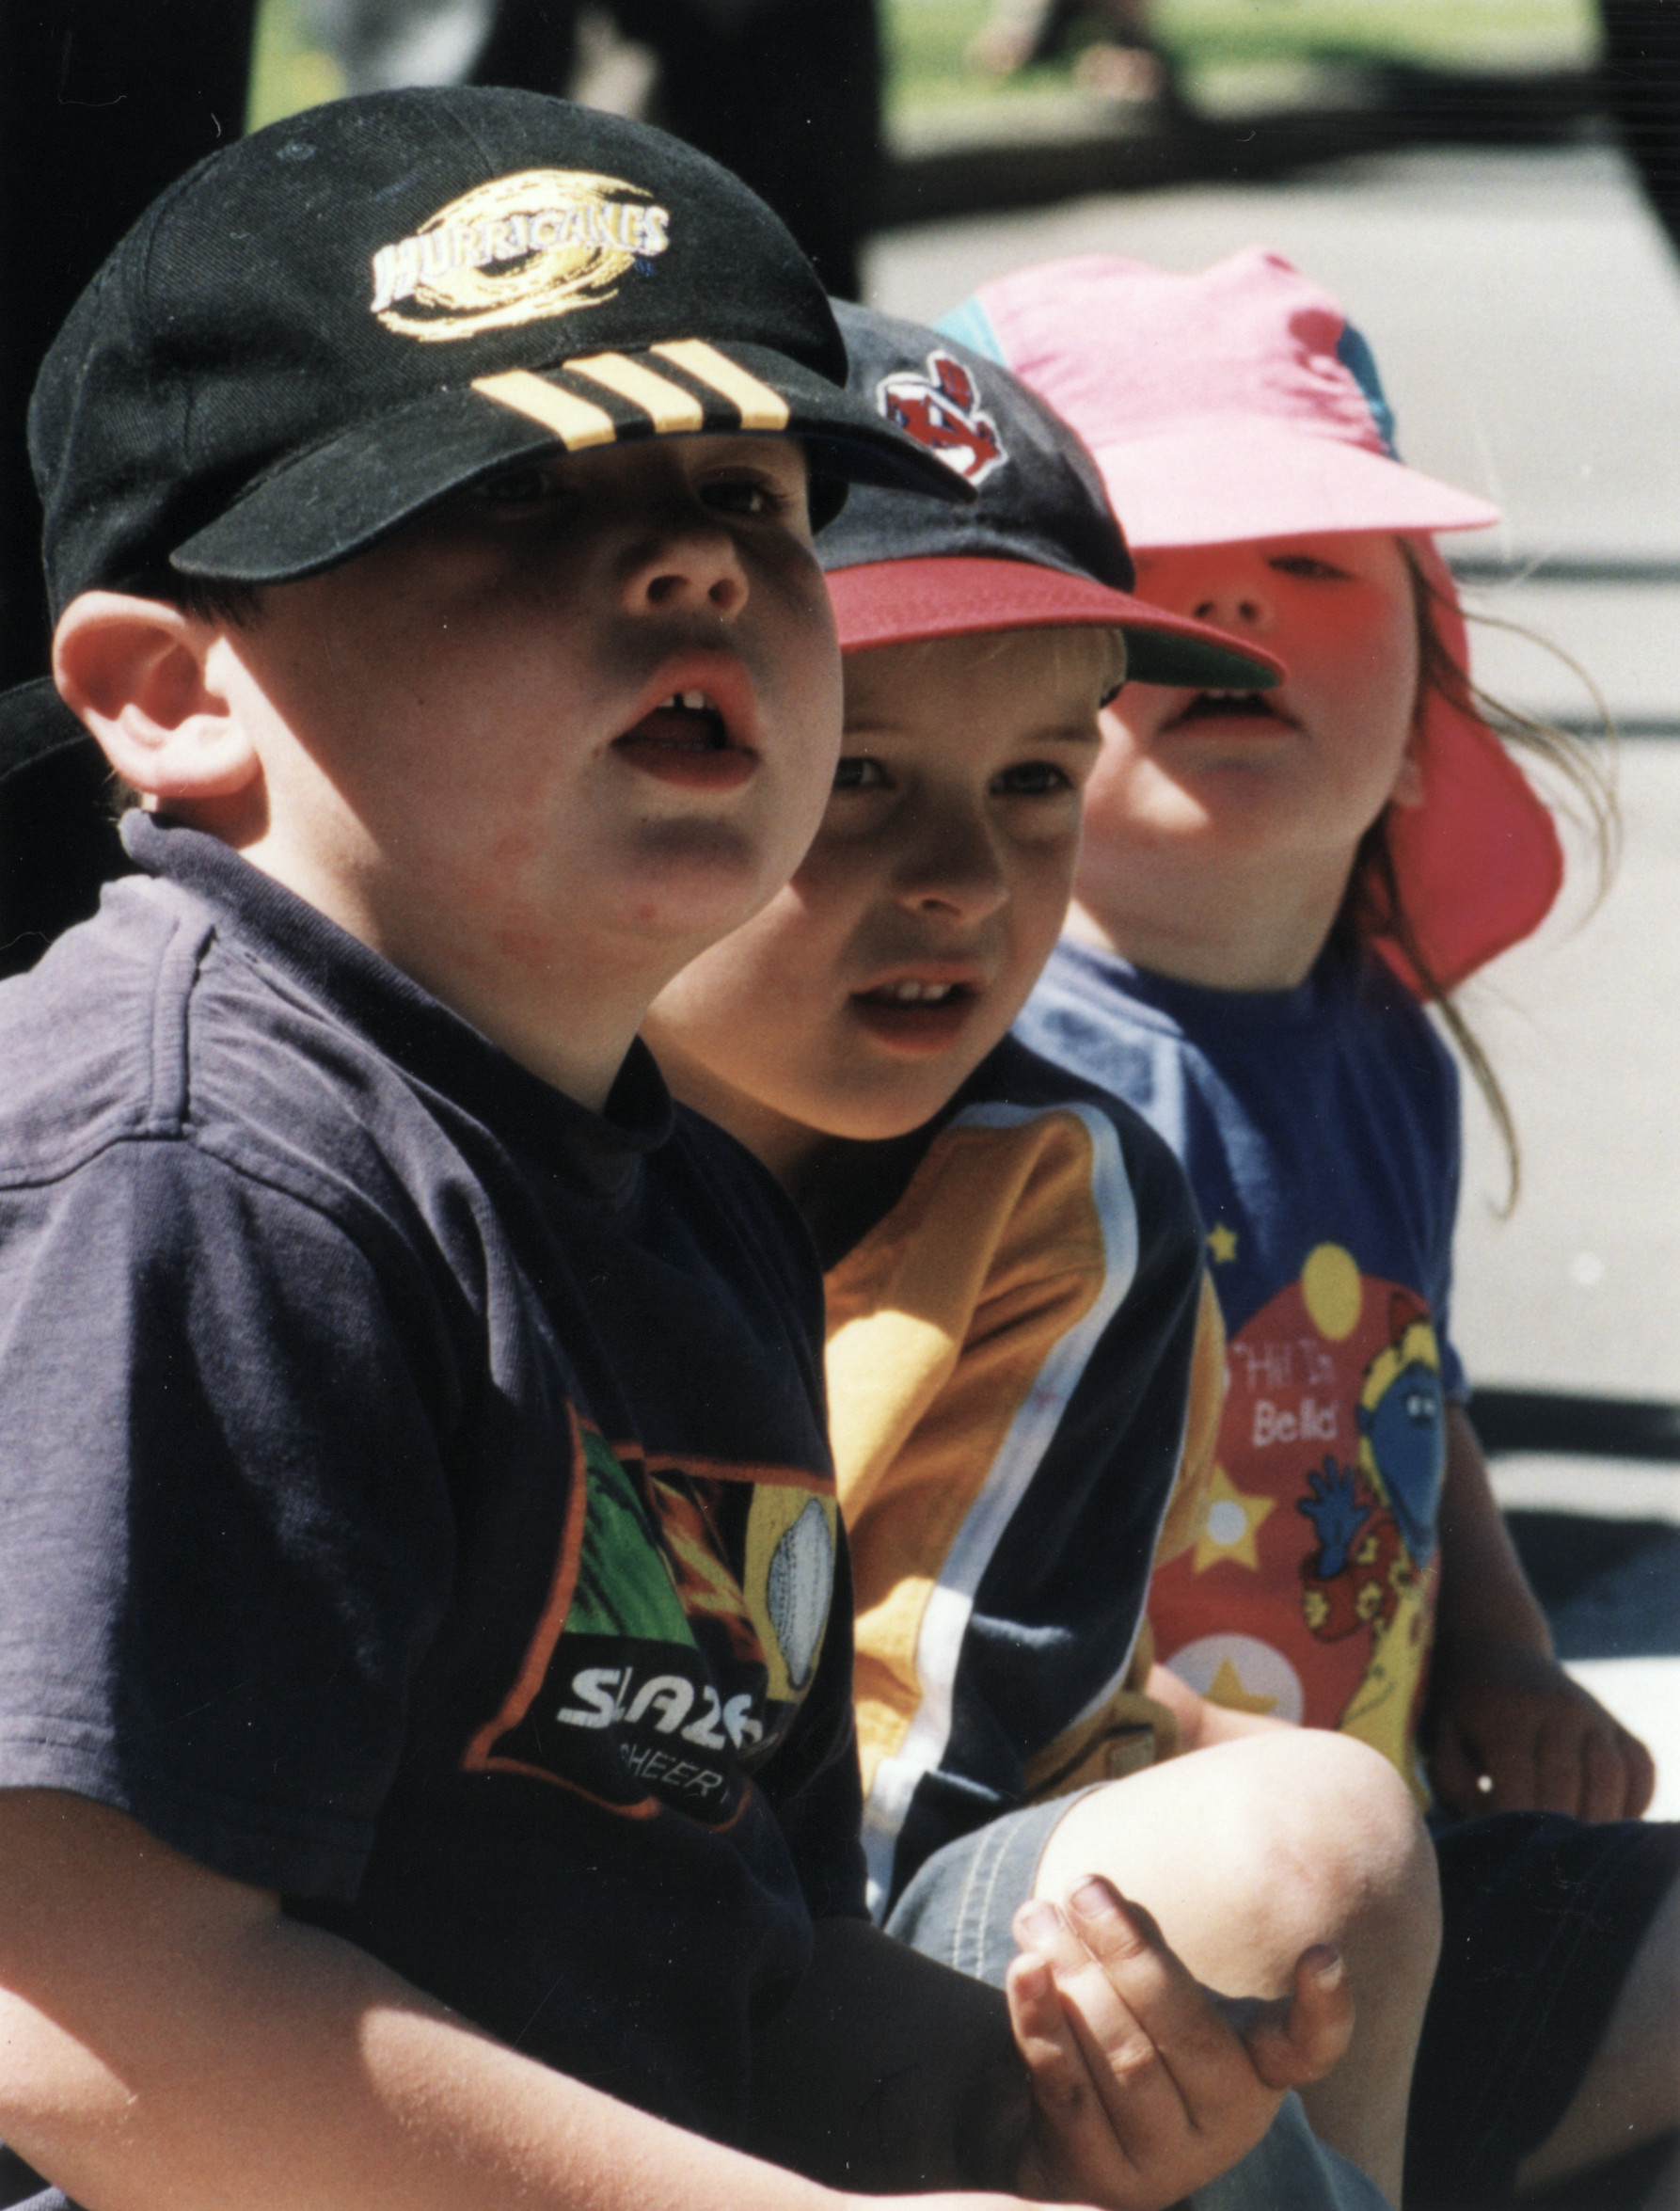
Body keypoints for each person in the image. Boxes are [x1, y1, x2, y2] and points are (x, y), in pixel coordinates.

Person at [0, 93, 1363, 2211]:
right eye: (516, 497)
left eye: (749, 492)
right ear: (174, 692)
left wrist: (1010, 2103)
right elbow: (81, 2016)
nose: (695, 558)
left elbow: (747, 1967)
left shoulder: (692, 1206)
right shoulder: (195, 1162)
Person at [646, 301, 1444, 2210]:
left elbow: (899, 1796)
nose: (961, 876)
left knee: (1298, 1861)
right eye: (856, 773)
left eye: (1031, 781)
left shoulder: (1057, 1192)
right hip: (514, 1985)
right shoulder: (430, 1137)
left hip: (876, 1957)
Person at [941, 247, 1680, 2206]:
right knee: (1307, 1871)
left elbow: (1404, 1403)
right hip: (1107, 1922)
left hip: (1380, 1905)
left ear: (1426, 678)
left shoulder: (1381, 1048)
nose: (1235, 607)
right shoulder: (970, 1066)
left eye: (1310, 560)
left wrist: (1506, 1652)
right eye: (1151, 571)